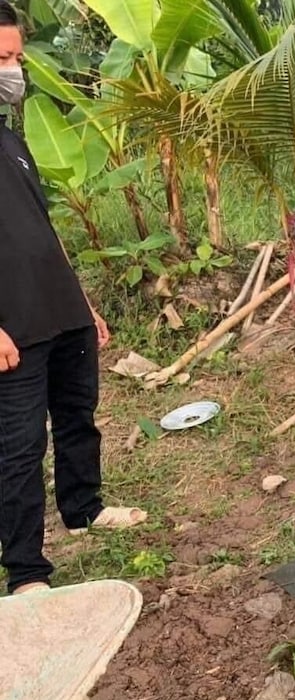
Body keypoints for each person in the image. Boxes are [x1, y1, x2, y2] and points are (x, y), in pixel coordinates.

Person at [0, 2, 146, 596]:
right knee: (19, 446)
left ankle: (84, 509)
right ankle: (27, 571)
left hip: (60, 312)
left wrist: (82, 301)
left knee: (78, 419)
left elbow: (43, 224)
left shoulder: (11, 138)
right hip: (13, 327)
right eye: (1, 58)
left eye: (16, 57)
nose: (14, 70)